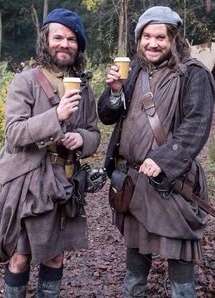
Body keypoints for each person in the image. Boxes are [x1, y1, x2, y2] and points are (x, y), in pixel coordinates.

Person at [98, 6, 215, 298]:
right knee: (135, 263)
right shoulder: (134, 69)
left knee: (180, 269)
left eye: (160, 36)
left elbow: (197, 124)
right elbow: (107, 117)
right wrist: (114, 91)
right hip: (133, 183)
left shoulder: (193, 73)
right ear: (139, 39)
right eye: (147, 36)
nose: (153, 43)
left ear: (173, 39)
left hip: (171, 184)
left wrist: (162, 160)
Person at [0, 8, 100, 297]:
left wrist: (81, 138)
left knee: (56, 255)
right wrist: (56, 116)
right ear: (45, 40)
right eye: (58, 37)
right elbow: (14, 133)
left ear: (79, 44)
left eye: (71, 39)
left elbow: (94, 134)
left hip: (66, 182)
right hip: (29, 184)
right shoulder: (26, 81)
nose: (64, 44)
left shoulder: (83, 87)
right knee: (20, 257)